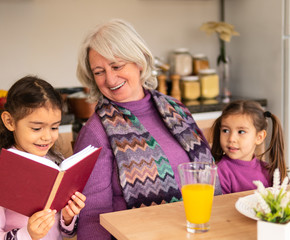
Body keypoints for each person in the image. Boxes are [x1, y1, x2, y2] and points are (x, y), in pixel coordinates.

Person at [73, 18, 222, 240]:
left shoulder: (176, 109)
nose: (110, 78)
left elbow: (209, 178)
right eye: (99, 71)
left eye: (117, 66)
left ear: (139, 61)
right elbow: (92, 217)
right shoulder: (96, 132)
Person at [0, 76, 86, 240]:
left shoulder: (56, 162)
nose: (47, 137)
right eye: (36, 128)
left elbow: (66, 233)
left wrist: (68, 217)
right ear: (9, 121)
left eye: (55, 127)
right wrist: (27, 234)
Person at [210, 100, 288, 194]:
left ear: (259, 137)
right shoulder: (219, 172)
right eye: (225, 130)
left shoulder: (268, 171)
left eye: (241, 132)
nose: (231, 139)